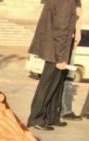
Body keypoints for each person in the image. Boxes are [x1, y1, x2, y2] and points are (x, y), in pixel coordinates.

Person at [26, 0, 78, 131]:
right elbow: (61, 30)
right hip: (55, 51)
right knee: (47, 85)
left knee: (56, 84)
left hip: (54, 49)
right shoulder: (66, 2)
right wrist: (61, 58)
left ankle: (51, 117)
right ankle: (36, 118)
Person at [62, 0, 82, 120]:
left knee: (68, 77)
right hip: (65, 39)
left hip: (70, 37)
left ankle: (63, 109)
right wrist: (77, 32)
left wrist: (78, 32)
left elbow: (79, 12)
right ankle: (65, 110)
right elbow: (78, 13)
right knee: (67, 77)